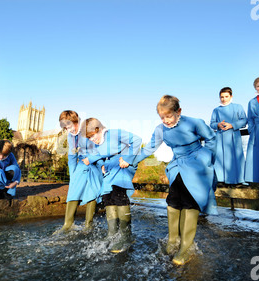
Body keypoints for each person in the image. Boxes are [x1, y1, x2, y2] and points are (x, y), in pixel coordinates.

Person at [133, 95, 218, 265]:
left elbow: (212, 139)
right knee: (172, 201)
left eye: (169, 116)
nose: (166, 121)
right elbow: (149, 148)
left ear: (178, 111)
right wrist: (130, 160)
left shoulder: (195, 123)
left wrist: (205, 158)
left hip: (196, 164)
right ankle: (173, 241)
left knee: (190, 202)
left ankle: (185, 248)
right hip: (177, 165)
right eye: (162, 117)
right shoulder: (160, 129)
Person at [81, 117, 142, 253]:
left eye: (92, 136)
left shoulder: (115, 134)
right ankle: (112, 233)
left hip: (121, 165)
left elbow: (137, 140)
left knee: (118, 194)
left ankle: (126, 235)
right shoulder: (98, 144)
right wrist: (100, 164)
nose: (92, 140)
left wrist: (128, 158)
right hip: (109, 168)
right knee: (107, 198)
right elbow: (99, 155)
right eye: (89, 138)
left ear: (98, 129)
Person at [54, 111, 103, 233]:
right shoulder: (71, 136)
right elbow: (71, 156)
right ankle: (67, 224)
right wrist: (73, 174)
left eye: (69, 126)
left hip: (96, 162)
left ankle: (88, 225)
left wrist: (100, 165)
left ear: (76, 121)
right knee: (76, 180)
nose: (68, 130)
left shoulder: (87, 127)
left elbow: (100, 148)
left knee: (92, 184)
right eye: (65, 128)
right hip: (82, 163)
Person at [210, 87, 247, 185]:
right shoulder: (216, 110)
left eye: (226, 96)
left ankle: (239, 179)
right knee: (220, 158)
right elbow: (212, 123)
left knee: (236, 157)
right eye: (222, 97)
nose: (224, 99)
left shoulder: (238, 107)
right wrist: (218, 124)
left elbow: (244, 120)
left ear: (231, 96)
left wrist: (232, 125)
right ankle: (220, 179)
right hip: (220, 137)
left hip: (233, 136)